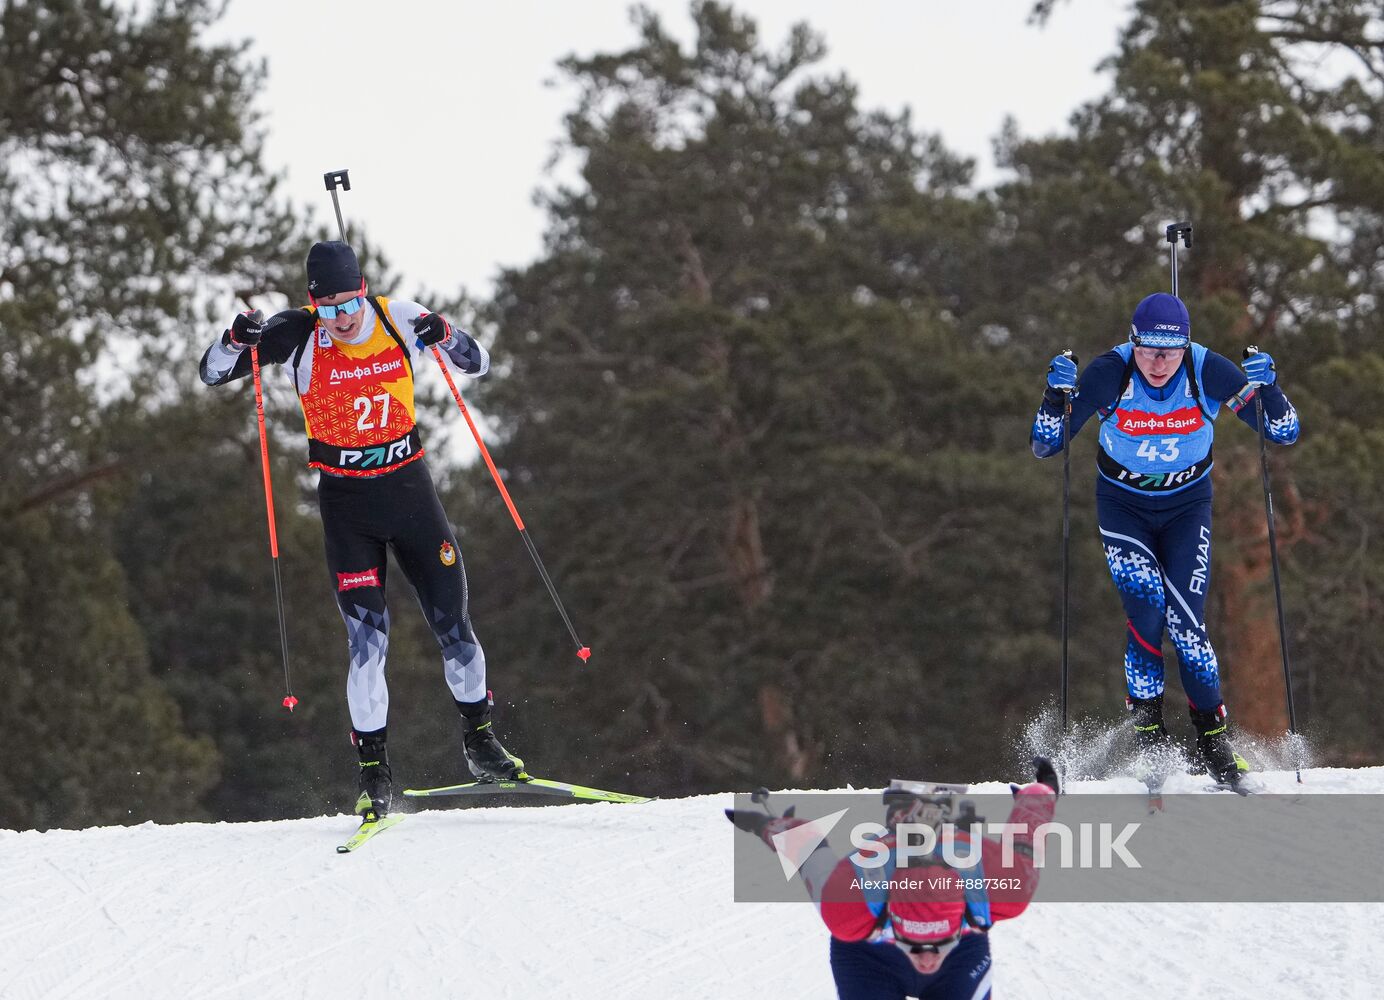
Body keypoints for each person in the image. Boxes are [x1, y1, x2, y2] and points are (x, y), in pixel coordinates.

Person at [199, 240, 524, 821]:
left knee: (455, 625)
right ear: (313, 303)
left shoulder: (398, 317)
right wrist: (235, 340)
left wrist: (446, 334)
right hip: (348, 508)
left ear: (364, 290)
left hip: (411, 495)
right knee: (368, 643)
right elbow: (212, 373)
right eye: (329, 308)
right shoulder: (297, 332)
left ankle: (480, 742)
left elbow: (478, 364)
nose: (343, 318)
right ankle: (375, 773)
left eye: (350, 303)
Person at [1030, 292, 1300, 785]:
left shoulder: (1208, 370)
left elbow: (1282, 433)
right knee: (1147, 614)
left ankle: (1213, 740)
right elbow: (1046, 445)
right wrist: (1054, 396)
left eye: (1170, 352)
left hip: (1186, 509)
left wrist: (1271, 389)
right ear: (1133, 343)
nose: (1158, 364)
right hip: (1124, 508)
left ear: (1185, 346)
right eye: (1148, 351)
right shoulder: (1109, 373)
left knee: (1187, 626)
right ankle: (1150, 737)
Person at [727, 758, 1059, 1000]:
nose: (926, 960)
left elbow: (1028, 831)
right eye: (912, 945)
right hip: (869, 959)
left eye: (939, 943)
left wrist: (1042, 789)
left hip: (957, 957)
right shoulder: (851, 900)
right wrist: (770, 826)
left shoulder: (996, 882)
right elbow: (810, 855)